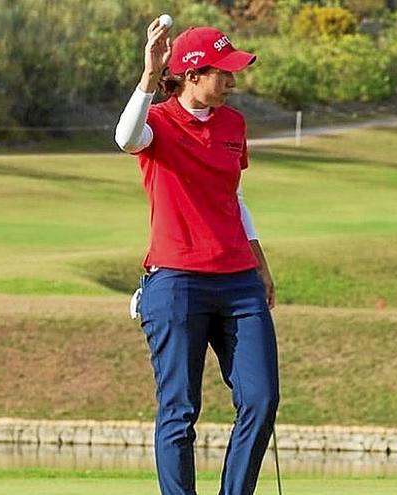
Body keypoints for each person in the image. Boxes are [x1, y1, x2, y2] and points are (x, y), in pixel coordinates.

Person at [114, 18, 280, 495]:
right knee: (180, 411)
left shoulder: (234, 124)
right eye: (222, 73)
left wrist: (261, 264)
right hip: (177, 280)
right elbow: (126, 138)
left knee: (261, 398)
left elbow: (236, 196)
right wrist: (148, 76)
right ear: (191, 75)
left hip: (238, 280)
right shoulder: (158, 123)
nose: (232, 81)